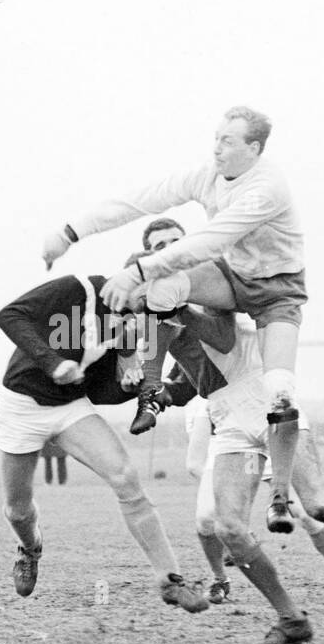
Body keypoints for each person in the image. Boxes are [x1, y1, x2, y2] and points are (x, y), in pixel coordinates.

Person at [42, 106, 308, 536]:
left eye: (227, 140)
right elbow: (140, 200)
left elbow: (211, 241)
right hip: (232, 283)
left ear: (254, 149)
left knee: (280, 389)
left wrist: (137, 272)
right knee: (162, 290)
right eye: (216, 136)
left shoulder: (267, 188)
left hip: (277, 292)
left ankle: (279, 498)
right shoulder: (206, 176)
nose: (216, 147)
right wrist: (71, 232)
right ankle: (146, 389)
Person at [156, 300, 324, 644]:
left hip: (271, 407)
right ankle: (291, 619)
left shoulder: (209, 292)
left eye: (169, 244)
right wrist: (156, 392)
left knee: (319, 506)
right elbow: (193, 381)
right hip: (229, 420)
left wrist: (170, 314)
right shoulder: (164, 315)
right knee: (228, 528)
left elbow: (222, 339)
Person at [0, 272, 207, 614]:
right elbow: (9, 315)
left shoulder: (134, 327)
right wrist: (53, 363)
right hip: (21, 405)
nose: (149, 311)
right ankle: (29, 549)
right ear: (130, 281)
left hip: (70, 407)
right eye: (148, 298)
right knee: (18, 510)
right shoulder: (79, 289)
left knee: (125, 477)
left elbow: (99, 391)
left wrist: (128, 384)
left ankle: (170, 579)